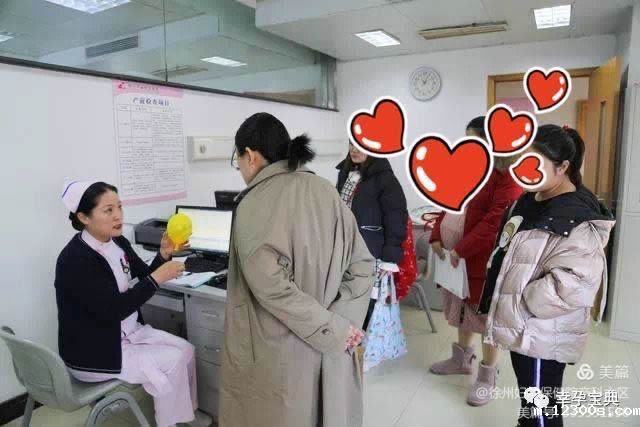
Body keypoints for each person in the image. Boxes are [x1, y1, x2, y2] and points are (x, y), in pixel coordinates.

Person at [219, 113, 375, 427]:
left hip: (279, 357)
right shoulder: (326, 191)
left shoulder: (253, 204)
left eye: (238, 161)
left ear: (250, 156)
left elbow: (274, 289)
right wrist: (341, 323)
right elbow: (362, 265)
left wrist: (331, 328)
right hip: (331, 350)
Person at [478, 125, 615, 427]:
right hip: (522, 326)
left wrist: (525, 303)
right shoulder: (528, 200)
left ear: (562, 167)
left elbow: (574, 284)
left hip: (540, 330)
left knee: (541, 406)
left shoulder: (577, 216)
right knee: (531, 400)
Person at [55, 181, 210, 427]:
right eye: (108, 210)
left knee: (186, 350)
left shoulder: (117, 243)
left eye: (119, 207)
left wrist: (163, 255)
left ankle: (186, 415)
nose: (118, 216)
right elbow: (115, 309)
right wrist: (158, 277)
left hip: (127, 333)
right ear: (83, 217)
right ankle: (168, 424)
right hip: (95, 351)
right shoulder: (76, 259)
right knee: (172, 360)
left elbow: (144, 274)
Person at [428, 116, 522, 406]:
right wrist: (436, 236)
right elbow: (446, 202)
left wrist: (462, 249)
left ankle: (487, 376)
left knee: (485, 319)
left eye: (477, 140)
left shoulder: (507, 177)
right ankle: (461, 360)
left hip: (482, 262)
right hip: (455, 261)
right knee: (462, 310)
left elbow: (496, 223)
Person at [336, 143, 408, 331]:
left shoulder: (385, 179)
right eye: (351, 143)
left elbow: (396, 218)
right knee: (347, 298)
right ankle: (351, 340)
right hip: (345, 250)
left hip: (371, 251)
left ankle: (364, 344)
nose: (354, 149)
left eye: (361, 145)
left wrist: (389, 259)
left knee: (368, 303)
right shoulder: (345, 173)